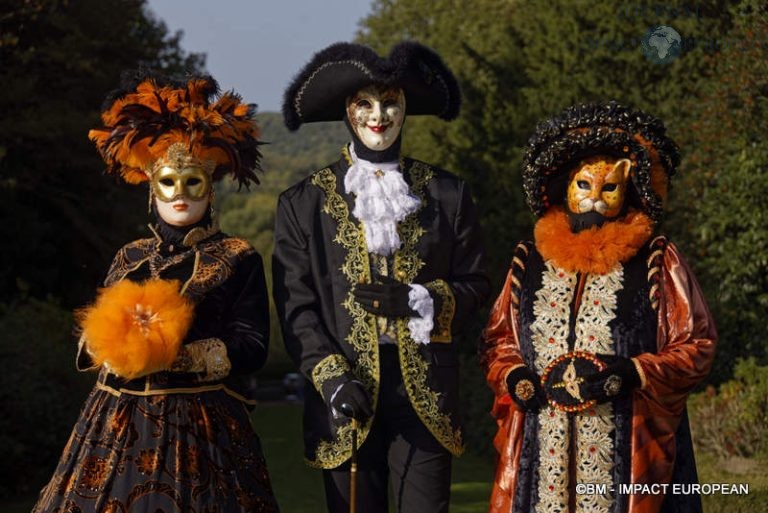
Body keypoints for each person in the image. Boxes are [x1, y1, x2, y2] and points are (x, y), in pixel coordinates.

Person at [32, 72, 280, 513]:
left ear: (210, 185)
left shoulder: (237, 256)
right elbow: (94, 331)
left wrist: (177, 354)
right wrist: (103, 345)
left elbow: (252, 345)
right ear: (151, 185)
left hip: (201, 431)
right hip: (113, 428)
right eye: (168, 181)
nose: (180, 194)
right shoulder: (130, 256)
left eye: (192, 182)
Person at [273, 41, 489, 513]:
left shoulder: (448, 194)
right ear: (347, 113)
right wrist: (330, 380)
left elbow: (477, 285)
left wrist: (420, 300)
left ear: (406, 108)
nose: (379, 115)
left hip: (427, 396)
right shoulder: (303, 203)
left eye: (390, 103)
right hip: (346, 393)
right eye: (364, 104)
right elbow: (296, 306)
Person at [481, 101, 717, 513]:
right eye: (583, 186)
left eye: (608, 188)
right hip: (542, 451)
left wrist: (634, 371)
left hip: (627, 449)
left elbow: (696, 343)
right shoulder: (529, 261)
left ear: (627, 189)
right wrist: (515, 375)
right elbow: (499, 341)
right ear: (565, 187)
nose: (594, 199)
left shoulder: (656, 260)